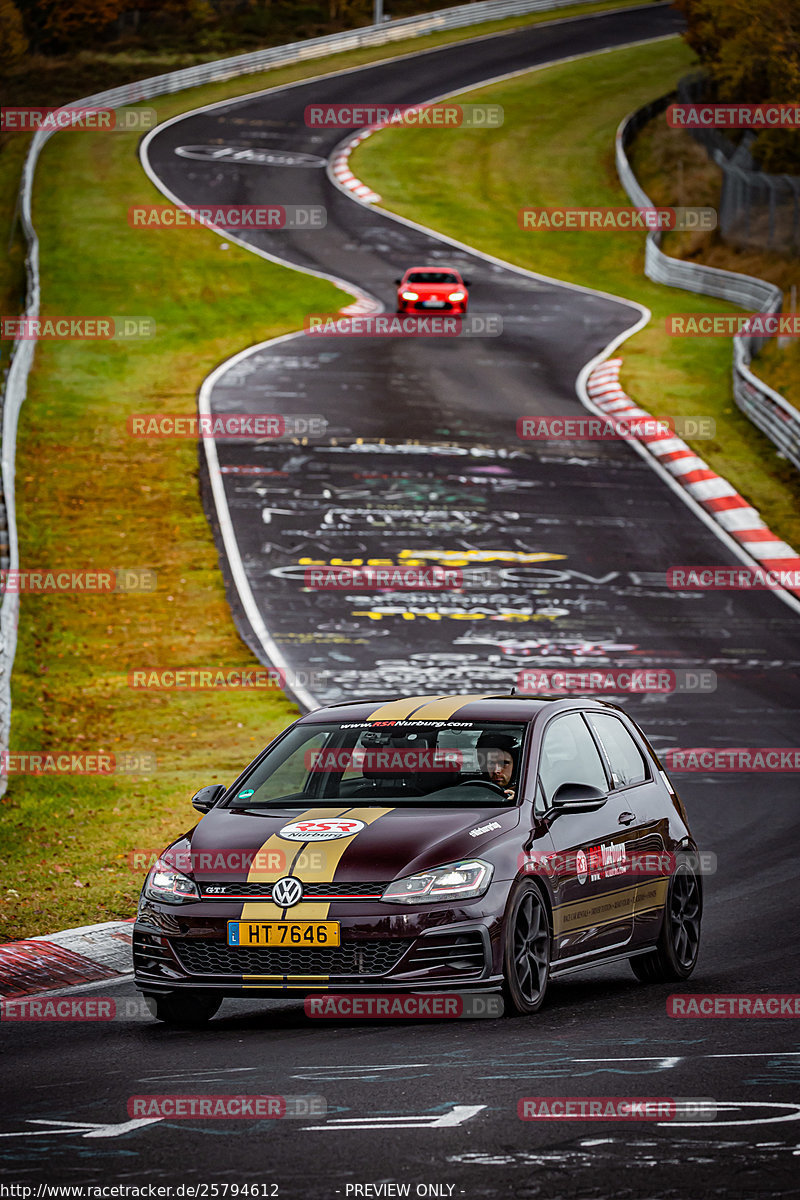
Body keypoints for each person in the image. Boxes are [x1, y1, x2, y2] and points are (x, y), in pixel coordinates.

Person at [476, 732, 518, 800]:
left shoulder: (527, 793)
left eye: (504, 763)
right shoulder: (474, 791)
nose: (496, 770)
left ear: (515, 766)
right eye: (491, 763)